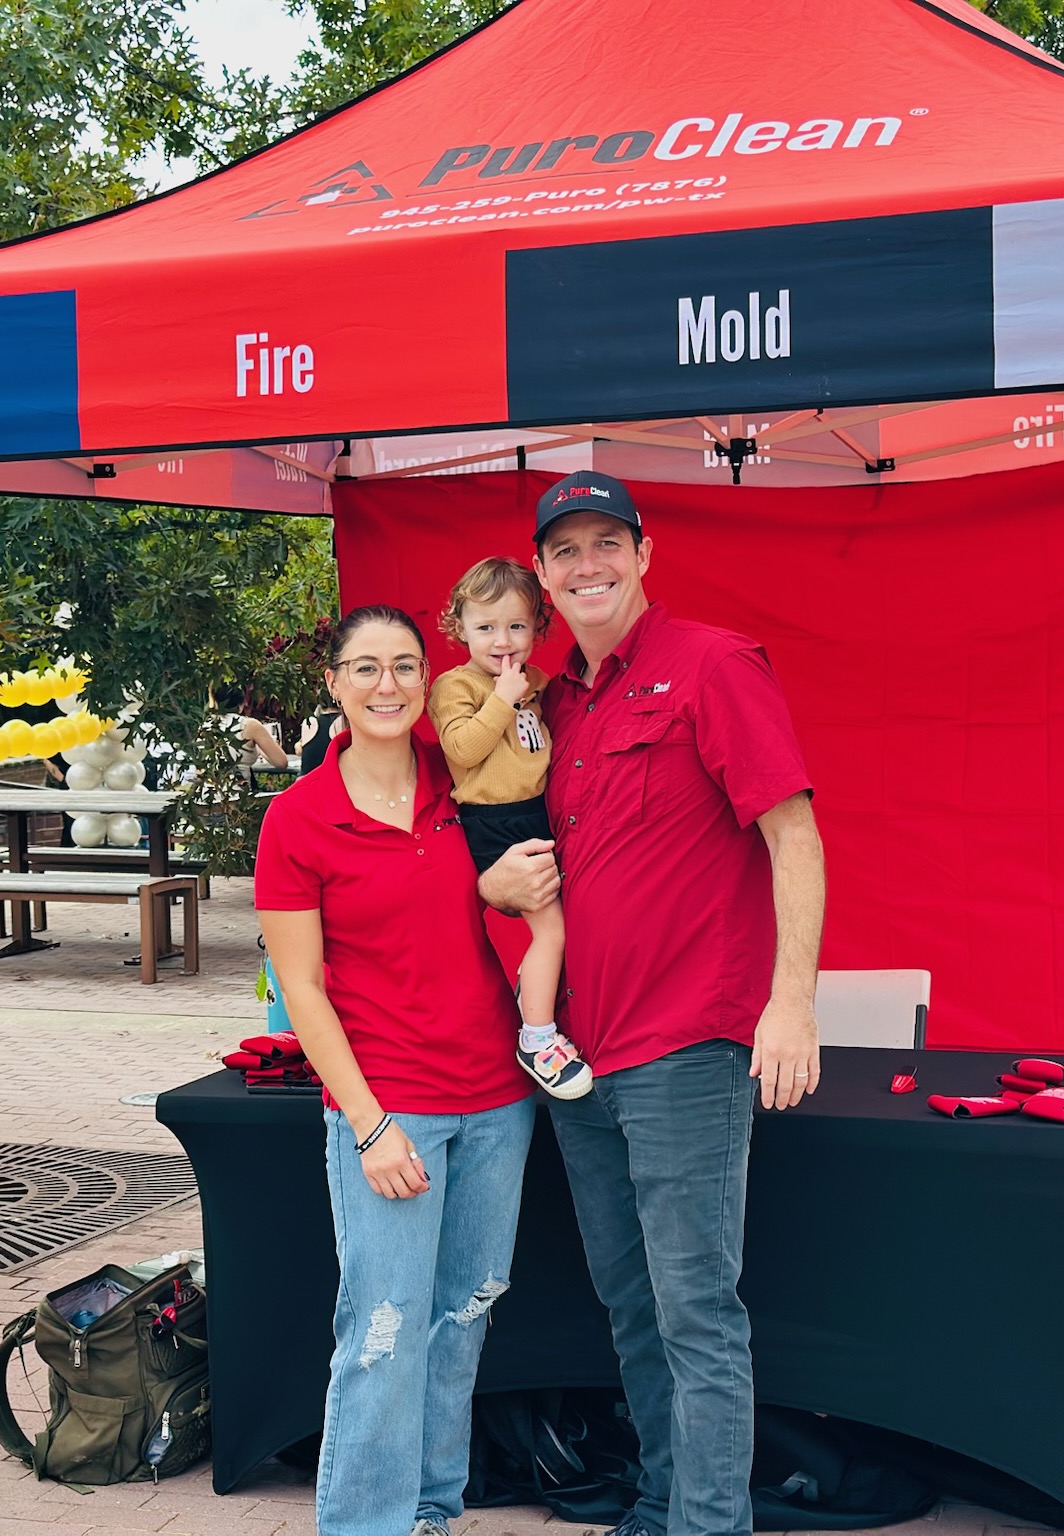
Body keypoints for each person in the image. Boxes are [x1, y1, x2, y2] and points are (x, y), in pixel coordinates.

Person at [481, 470, 826, 1536]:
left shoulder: (711, 667)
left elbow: (794, 838)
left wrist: (791, 1004)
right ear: (541, 575)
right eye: (565, 550)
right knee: (631, 1308)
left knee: (693, 1314)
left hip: (684, 1050)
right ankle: (661, 1503)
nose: (586, 565)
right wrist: (489, 884)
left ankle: (707, 1525)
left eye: (604, 544)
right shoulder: (548, 704)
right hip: (577, 1061)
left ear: (643, 554)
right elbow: (501, 846)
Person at [256, 604, 538, 1536]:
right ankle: (363, 1524)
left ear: (429, 680)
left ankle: (429, 1514)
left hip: (499, 1102)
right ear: (332, 683)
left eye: (406, 667)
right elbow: (301, 989)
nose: (389, 686)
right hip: (393, 1111)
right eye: (367, 668)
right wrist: (370, 1124)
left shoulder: (462, 782)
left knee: (461, 1324)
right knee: (382, 1335)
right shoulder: (299, 820)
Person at [428, 557, 590, 1099]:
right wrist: (502, 696)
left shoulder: (538, 682)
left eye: (517, 626)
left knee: (582, 917)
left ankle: (543, 1004)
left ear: (538, 629)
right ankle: (537, 1037)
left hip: (541, 812)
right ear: (460, 628)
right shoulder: (457, 686)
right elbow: (463, 750)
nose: (503, 641)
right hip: (495, 822)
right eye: (486, 627)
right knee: (552, 931)